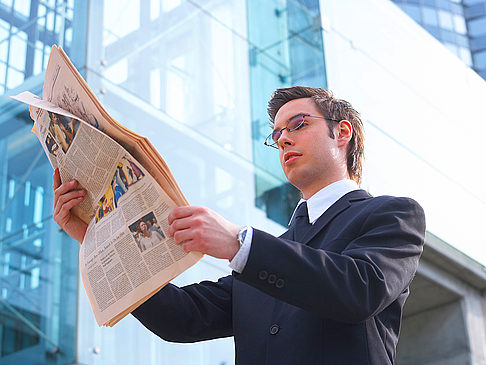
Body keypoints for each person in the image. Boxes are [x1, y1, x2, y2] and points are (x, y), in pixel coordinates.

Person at [52, 86, 425, 364]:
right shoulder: (263, 258)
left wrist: (239, 243)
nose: (284, 140)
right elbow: (181, 318)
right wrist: (93, 237)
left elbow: (358, 290)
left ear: (341, 133)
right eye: (276, 135)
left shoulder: (392, 215)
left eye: (297, 125)